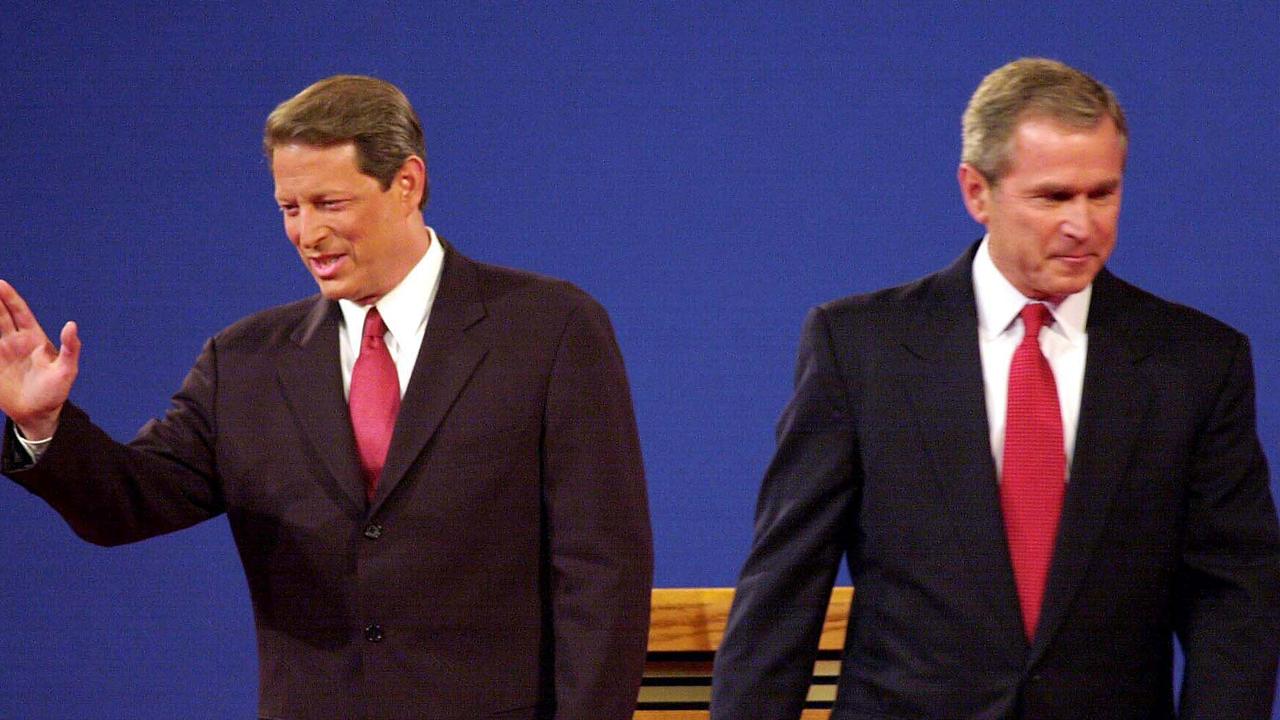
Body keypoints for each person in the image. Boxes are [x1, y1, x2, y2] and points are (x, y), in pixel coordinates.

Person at [0, 75, 652, 720]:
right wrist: (41, 421)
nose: (307, 234)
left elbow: (603, 574)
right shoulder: (245, 362)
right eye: (290, 208)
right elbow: (128, 504)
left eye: (329, 203)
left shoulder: (549, 330)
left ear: (407, 184)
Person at [710, 58, 1280, 719]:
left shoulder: (1195, 361)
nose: (1083, 225)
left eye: (1103, 193)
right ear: (976, 192)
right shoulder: (861, 346)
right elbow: (785, 586)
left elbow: (1235, 596)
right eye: (1052, 197)